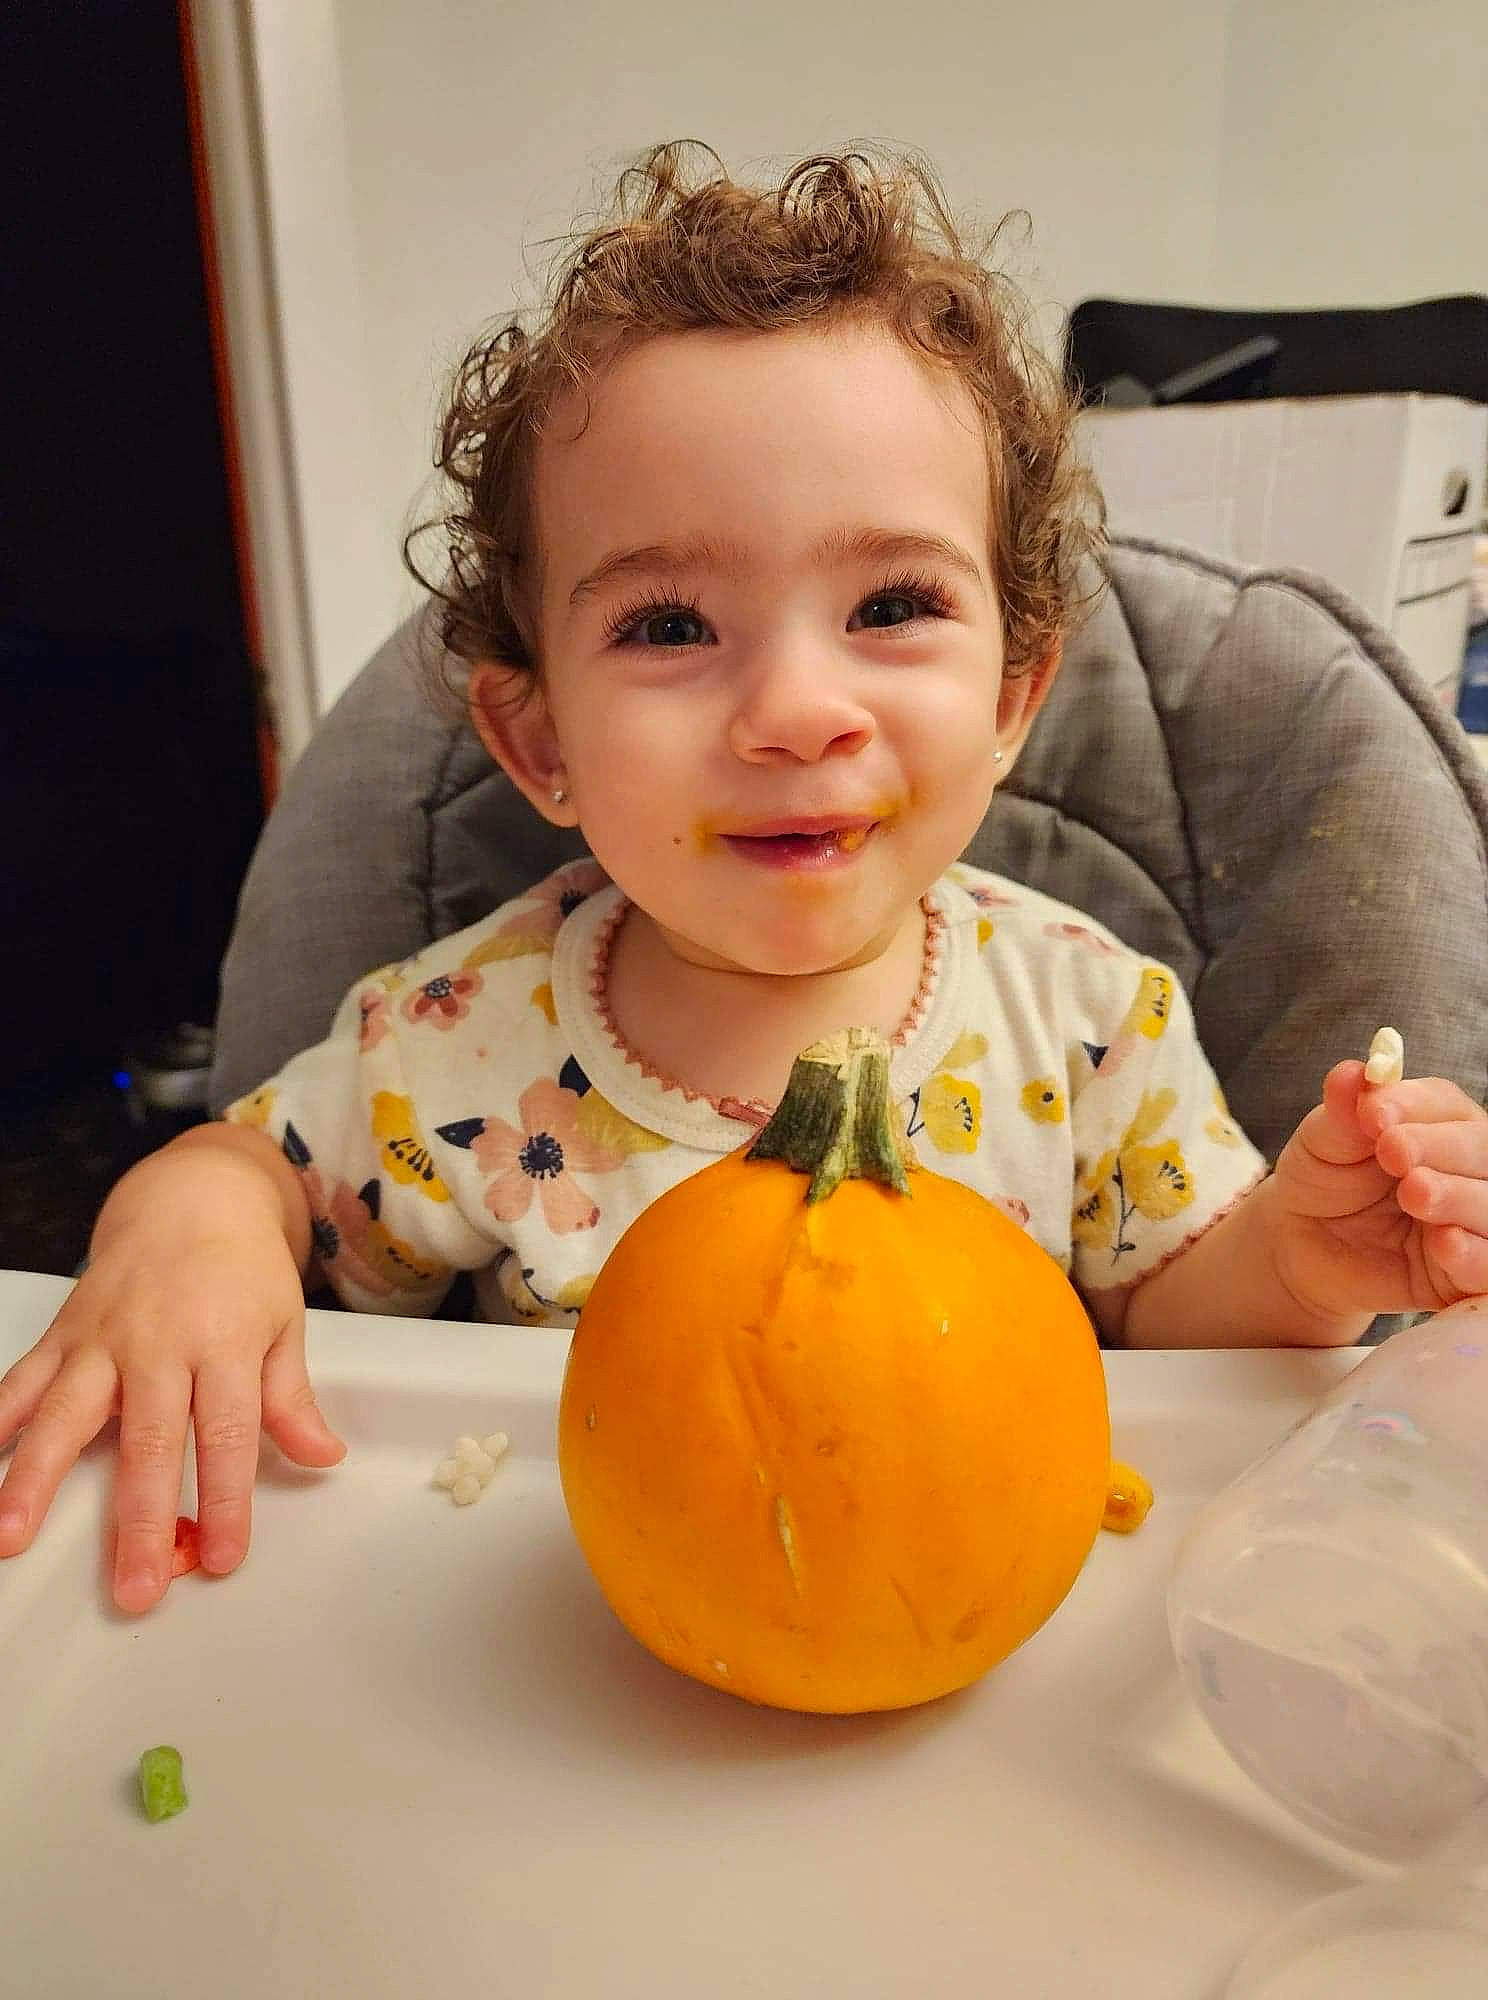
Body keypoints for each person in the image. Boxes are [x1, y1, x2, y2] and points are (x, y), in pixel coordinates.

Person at [4, 142, 1487, 1617]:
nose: (793, 709)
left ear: (1015, 696)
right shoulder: (463, 1050)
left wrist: (1301, 1265)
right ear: (539, 744)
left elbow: (1174, 1310)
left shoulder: (1089, 1026)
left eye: (891, 606)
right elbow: (264, 1180)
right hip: (585, 1656)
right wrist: (187, 1225)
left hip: (985, 1625)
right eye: (668, 627)